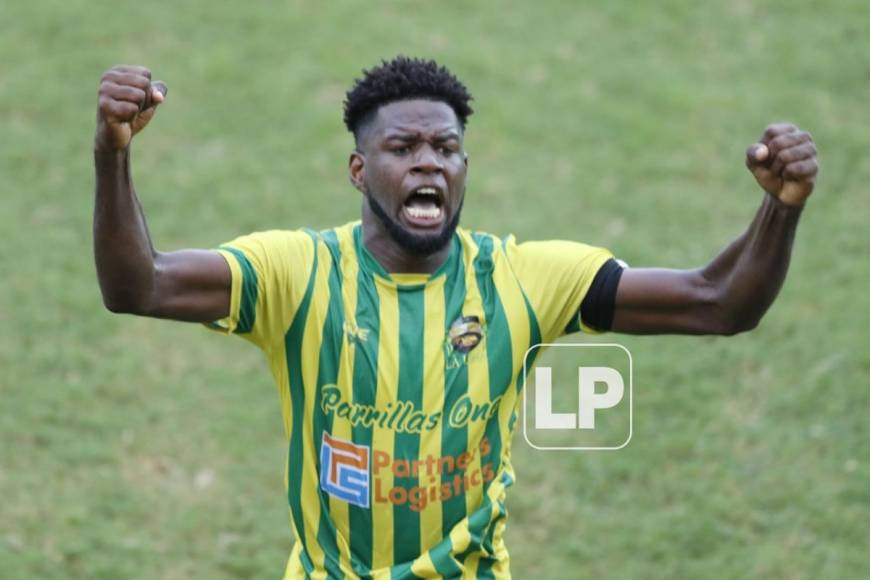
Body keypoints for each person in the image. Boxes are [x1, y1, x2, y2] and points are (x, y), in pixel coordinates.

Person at [93, 56, 818, 579]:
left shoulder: (524, 279)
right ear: (359, 170)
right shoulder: (296, 273)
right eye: (402, 148)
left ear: (467, 166)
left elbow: (719, 303)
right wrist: (112, 155)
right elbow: (140, 286)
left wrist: (779, 207)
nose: (428, 165)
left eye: (445, 148)